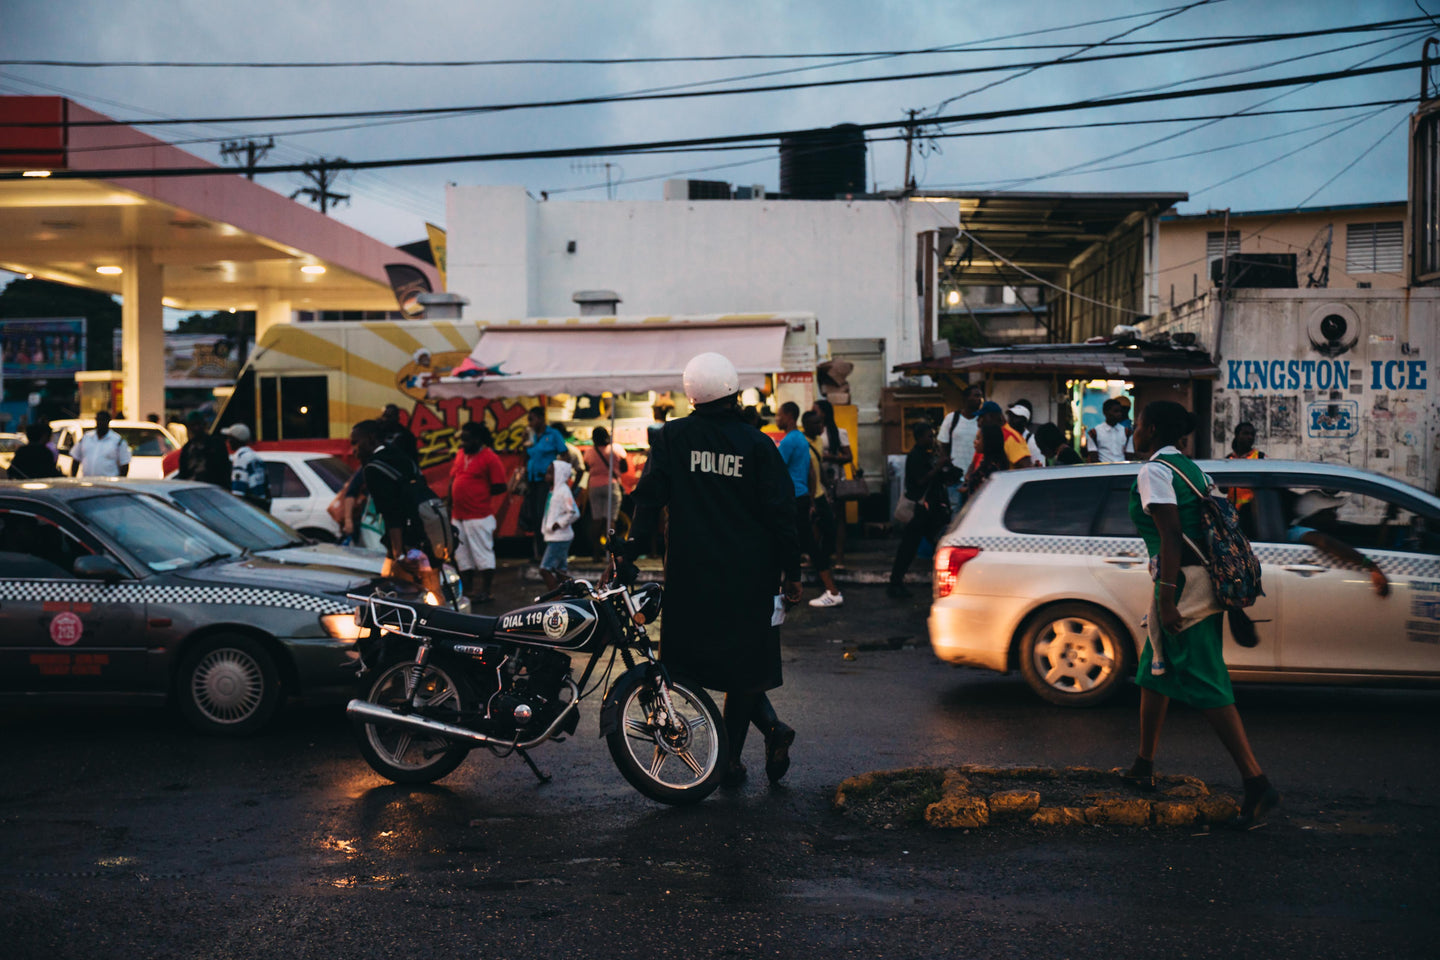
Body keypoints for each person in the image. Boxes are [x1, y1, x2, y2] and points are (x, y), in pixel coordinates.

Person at [618, 352, 801, 787]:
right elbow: (782, 514)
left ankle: (738, 756)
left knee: (683, 666)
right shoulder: (758, 444)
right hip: (750, 577)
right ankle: (738, 753)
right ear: (735, 392)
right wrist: (791, 572)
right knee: (745, 670)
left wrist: (629, 556)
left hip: (690, 575)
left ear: (691, 395)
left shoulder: (671, 438)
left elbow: (647, 503)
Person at [1122, 400, 1280, 829]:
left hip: (1183, 586)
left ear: (1151, 430)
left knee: (1207, 680)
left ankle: (1256, 782)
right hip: (1196, 581)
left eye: (1137, 425)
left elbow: (1171, 535)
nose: (1133, 431)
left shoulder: (1155, 471)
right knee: (1153, 670)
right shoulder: (1193, 471)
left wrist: (1168, 598)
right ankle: (1143, 765)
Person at [352, 418, 443, 599]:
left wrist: (399, 555)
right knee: (433, 595)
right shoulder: (400, 455)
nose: (353, 449)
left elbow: (391, 514)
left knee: (399, 599)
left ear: (370, 439)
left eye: (356, 442)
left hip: (407, 543)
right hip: (428, 535)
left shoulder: (372, 468)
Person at [776, 402, 842, 608]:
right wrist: (811, 497)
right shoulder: (801, 440)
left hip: (792, 499)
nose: (777, 419)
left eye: (778, 415)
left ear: (788, 416)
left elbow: (774, 470)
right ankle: (790, 590)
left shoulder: (789, 441)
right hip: (802, 497)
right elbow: (811, 472)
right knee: (800, 544)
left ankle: (832, 591)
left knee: (800, 544)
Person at [888, 421, 952, 599]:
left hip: (929, 509)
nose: (932, 439)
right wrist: (938, 467)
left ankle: (896, 582)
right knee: (909, 547)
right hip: (919, 509)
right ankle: (895, 583)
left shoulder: (927, 454)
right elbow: (920, 481)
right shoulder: (916, 455)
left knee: (926, 544)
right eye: (929, 436)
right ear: (920, 437)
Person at [1286, 490, 1390, 597]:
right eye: (1330, 511)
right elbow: (1324, 542)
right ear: (1315, 515)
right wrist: (1370, 566)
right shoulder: (1298, 531)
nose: (1335, 515)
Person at [449, 421, 507, 604]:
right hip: (458, 515)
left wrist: (478, 495)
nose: (463, 444)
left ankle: (486, 591)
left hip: (479, 515)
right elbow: (453, 479)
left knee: (482, 554)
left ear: (478, 439)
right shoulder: (460, 455)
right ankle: (468, 591)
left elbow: (499, 486)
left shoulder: (490, 457)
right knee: (461, 554)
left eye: (467, 440)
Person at [812, 398, 854, 567]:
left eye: (815, 410)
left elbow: (848, 456)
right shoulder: (812, 432)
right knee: (816, 518)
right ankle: (817, 556)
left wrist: (830, 457)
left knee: (838, 518)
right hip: (816, 479)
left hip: (834, 478)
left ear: (824, 413)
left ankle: (839, 558)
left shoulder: (838, 433)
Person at [522, 406, 569, 555]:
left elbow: (565, 454)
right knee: (534, 516)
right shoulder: (531, 435)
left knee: (544, 514)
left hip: (545, 481)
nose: (530, 422)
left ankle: (546, 551)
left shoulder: (553, 434)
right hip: (532, 480)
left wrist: (557, 473)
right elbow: (527, 456)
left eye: (532, 419)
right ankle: (539, 552)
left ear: (541, 418)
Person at [582, 426, 628, 561]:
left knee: (596, 520)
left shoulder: (589, 452)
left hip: (594, 487)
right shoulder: (616, 449)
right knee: (611, 520)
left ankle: (596, 553)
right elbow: (624, 467)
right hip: (611, 485)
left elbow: (586, 467)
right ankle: (612, 554)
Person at [937, 384, 983, 513]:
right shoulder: (952, 419)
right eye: (976, 395)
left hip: (976, 478)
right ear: (966, 398)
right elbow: (943, 446)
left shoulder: (981, 421)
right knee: (955, 513)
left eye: (980, 396)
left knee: (974, 513)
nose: (979, 399)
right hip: (955, 478)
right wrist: (948, 468)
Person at [539, 460, 580, 590]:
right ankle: (571, 593)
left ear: (559, 474)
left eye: (550, 473)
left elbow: (573, 512)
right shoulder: (554, 491)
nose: (547, 476)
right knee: (560, 571)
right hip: (554, 536)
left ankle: (555, 597)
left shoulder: (563, 491)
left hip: (560, 537)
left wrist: (559, 523)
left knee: (545, 569)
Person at [221, 423, 270, 510]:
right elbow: (266, 486)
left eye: (229, 438)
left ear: (235, 440)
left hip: (250, 508)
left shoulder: (240, 459)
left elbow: (238, 492)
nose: (227, 442)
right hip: (261, 507)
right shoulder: (256, 458)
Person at [175, 411, 231, 487]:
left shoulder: (216, 444)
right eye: (193, 425)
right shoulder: (187, 448)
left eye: (198, 424)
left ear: (204, 425)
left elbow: (224, 470)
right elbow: (183, 472)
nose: (196, 428)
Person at [69, 410, 131, 478]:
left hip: (108, 485)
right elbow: (76, 460)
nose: (100, 423)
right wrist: (73, 478)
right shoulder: (86, 438)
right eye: (98, 420)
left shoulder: (118, 441)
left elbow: (124, 465)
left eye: (103, 420)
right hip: (87, 483)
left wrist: (119, 483)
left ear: (108, 421)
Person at [975, 400, 1032, 470]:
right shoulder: (989, 435)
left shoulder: (1009, 436)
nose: (978, 420)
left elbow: (1026, 466)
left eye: (982, 417)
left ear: (994, 416)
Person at [1225, 422, 1265, 519]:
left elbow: (1264, 484)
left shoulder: (1260, 457)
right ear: (1237, 435)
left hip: (1252, 513)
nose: (1250, 437)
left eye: (1252, 434)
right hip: (1231, 513)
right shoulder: (1228, 459)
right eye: (1246, 434)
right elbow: (1223, 489)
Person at [963, 422, 1010, 497]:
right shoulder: (988, 463)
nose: (974, 442)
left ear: (988, 441)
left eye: (978, 438)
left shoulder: (991, 469)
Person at [1087, 399, 1133, 463]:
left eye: (1120, 411)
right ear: (1105, 412)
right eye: (1115, 411)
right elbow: (1093, 456)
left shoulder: (1127, 432)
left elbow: (1130, 455)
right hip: (1102, 470)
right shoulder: (1094, 433)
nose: (1119, 414)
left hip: (1122, 469)